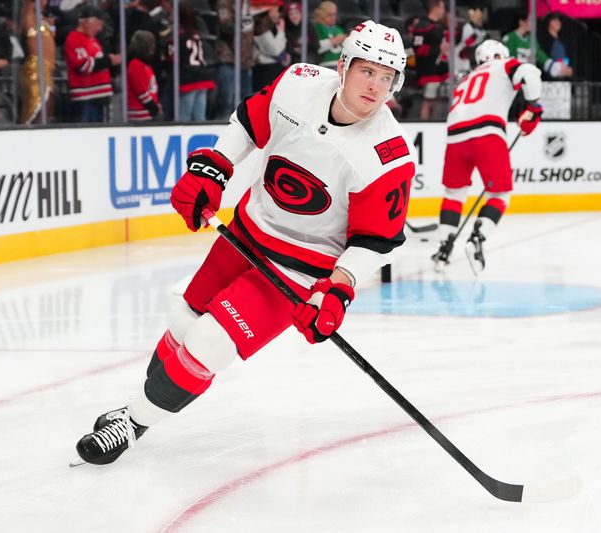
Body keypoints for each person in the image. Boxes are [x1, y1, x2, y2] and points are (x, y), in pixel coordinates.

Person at [72, 20, 416, 466]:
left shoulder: (388, 153)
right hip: (245, 234)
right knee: (183, 321)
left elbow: (376, 240)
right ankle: (140, 405)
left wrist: (339, 288)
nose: (376, 86)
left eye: (387, 77)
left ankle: (133, 423)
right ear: (344, 65)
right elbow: (247, 123)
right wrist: (212, 167)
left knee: (209, 343)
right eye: (368, 71)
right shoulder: (299, 83)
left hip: (296, 270)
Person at [431, 40, 542, 274]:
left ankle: (443, 250)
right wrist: (533, 107)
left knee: (454, 194)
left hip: (455, 138)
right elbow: (530, 73)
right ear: (500, 54)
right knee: (500, 195)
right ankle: (477, 238)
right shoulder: (503, 65)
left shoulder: (466, 78)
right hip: (487, 134)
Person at [64, 5, 121, 123]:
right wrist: (109, 60)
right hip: (87, 97)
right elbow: (83, 66)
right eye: (98, 24)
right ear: (86, 22)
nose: (100, 29)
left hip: (97, 96)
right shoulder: (74, 38)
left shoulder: (92, 40)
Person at [176, 2, 216, 122]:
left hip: (189, 77)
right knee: (200, 118)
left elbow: (173, 57)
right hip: (203, 74)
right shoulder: (196, 35)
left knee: (184, 118)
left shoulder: (180, 36)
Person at [502, 11, 572, 80]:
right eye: (530, 21)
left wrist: (554, 67)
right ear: (521, 22)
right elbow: (508, 60)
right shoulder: (509, 38)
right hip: (515, 78)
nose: (532, 24)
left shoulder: (531, 39)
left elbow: (540, 55)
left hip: (530, 77)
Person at [19, 0, 56, 124]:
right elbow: (27, 8)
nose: (43, 2)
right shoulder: (29, 19)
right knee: (37, 108)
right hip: (36, 69)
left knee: (48, 105)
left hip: (48, 68)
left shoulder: (43, 21)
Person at [412, 0, 449, 119]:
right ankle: (424, 125)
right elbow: (418, 49)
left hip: (440, 70)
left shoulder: (438, 25)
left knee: (438, 102)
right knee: (428, 102)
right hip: (428, 72)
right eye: (442, 7)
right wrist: (438, 49)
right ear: (436, 7)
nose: (444, 10)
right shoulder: (422, 26)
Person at [252, 0, 288, 91]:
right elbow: (275, 50)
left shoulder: (271, 25)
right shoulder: (260, 26)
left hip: (273, 68)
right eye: (276, 11)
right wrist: (281, 32)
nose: (278, 14)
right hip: (264, 72)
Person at [127, 30, 162, 121]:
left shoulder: (145, 65)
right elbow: (141, 92)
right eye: (151, 43)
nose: (154, 46)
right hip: (141, 115)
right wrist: (154, 109)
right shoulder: (135, 65)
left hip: (148, 113)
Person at [454, 2, 487, 75]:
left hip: (473, 60)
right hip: (462, 62)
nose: (482, 14)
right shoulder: (467, 27)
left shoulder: (482, 30)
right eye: (480, 11)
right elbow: (466, 45)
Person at [312, 1, 345, 68]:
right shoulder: (316, 28)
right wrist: (334, 41)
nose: (333, 17)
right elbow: (316, 48)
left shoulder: (338, 28)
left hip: (341, 65)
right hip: (324, 65)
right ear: (321, 15)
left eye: (334, 14)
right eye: (330, 15)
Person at [541, 12, 572, 79]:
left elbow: (568, 57)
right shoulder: (544, 41)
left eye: (559, 20)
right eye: (555, 20)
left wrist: (569, 69)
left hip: (564, 78)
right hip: (549, 79)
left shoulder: (563, 40)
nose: (558, 23)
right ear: (549, 22)